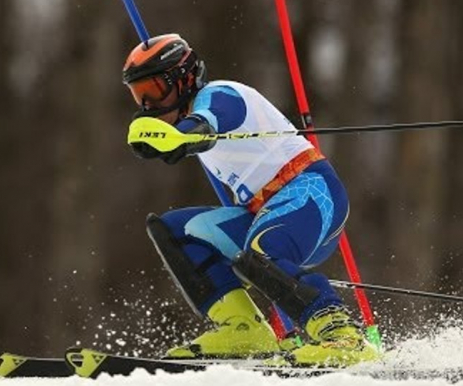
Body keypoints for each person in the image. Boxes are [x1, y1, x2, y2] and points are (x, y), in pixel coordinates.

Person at [122, 33, 381, 367]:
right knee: (175, 230)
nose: (147, 107)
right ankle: (243, 329)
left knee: (263, 247)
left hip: (312, 193)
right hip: (266, 211)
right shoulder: (185, 115)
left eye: (154, 92)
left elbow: (202, 126)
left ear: (184, 80)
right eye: (138, 96)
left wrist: (168, 137)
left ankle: (342, 335)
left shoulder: (221, 94)